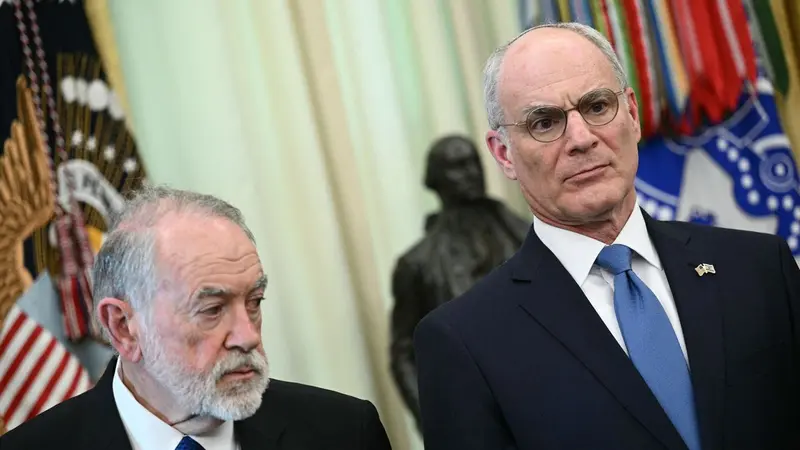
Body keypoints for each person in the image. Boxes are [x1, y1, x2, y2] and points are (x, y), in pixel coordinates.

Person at [413, 22, 800, 450]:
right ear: (504, 154)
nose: (581, 139)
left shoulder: (760, 269)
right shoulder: (464, 342)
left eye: (597, 106)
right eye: (545, 122)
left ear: (631, 114)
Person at [0, 186, 392, 450]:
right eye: (211, 310)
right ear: (124, 327)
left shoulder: (344, 432)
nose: (247, 336)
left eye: (254, 301)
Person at [389, 135, 529, 429]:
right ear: (435, 180)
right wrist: (435, 423)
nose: (471, 173)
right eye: (457, 166)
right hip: (477, 414)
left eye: (473, 163)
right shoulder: (418, 264)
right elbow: (403, 353)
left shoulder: (527, 235)